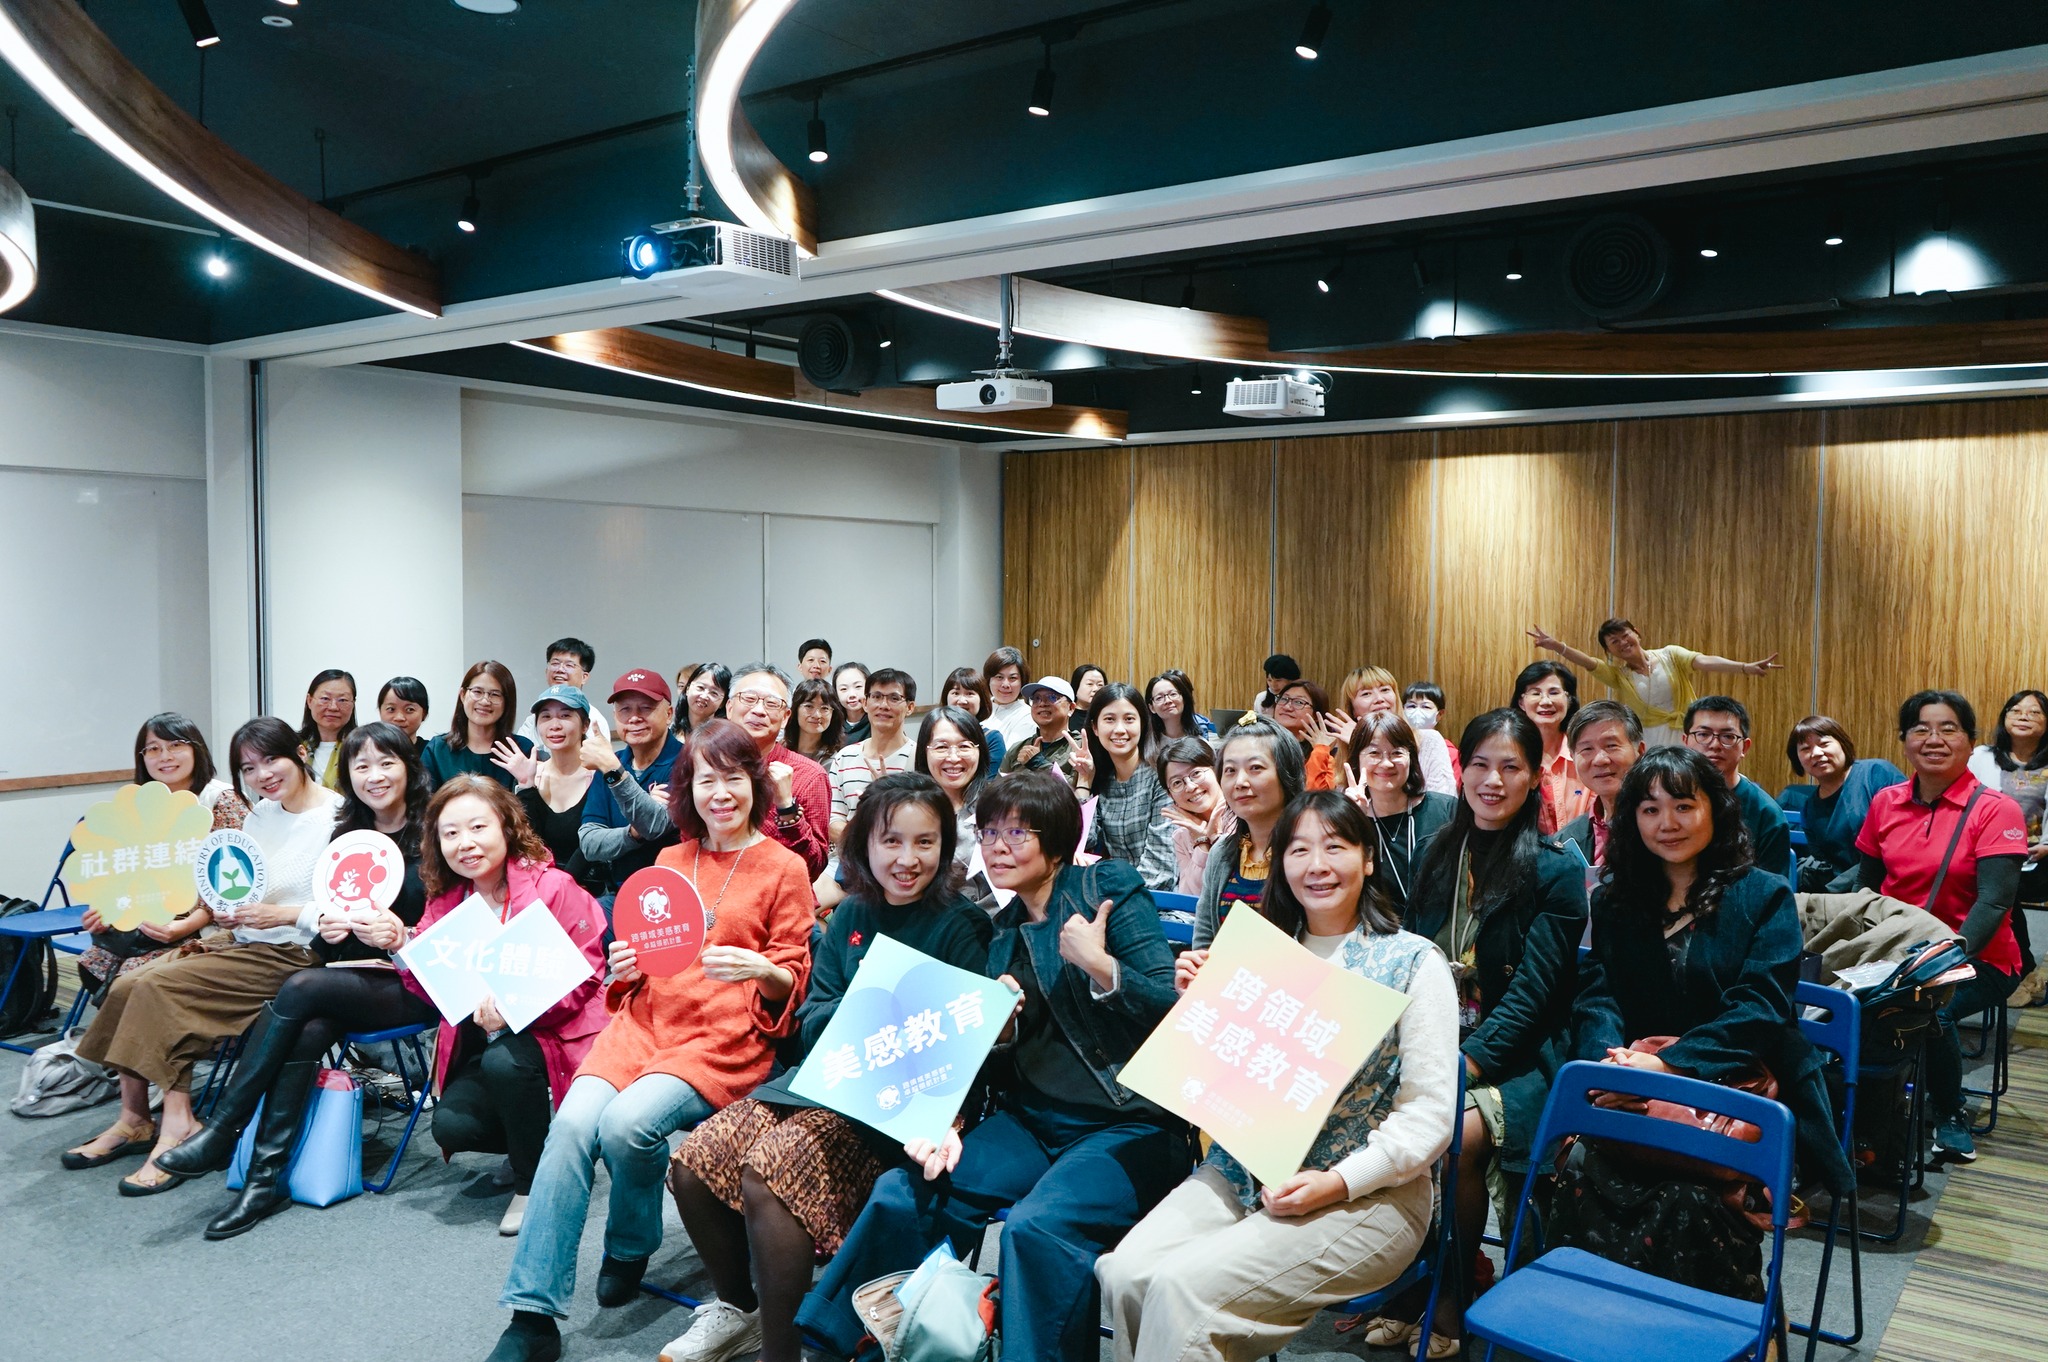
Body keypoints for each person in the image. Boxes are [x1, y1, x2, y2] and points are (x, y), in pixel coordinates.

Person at [795, 772, 1186, 1362]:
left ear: (1056, 841)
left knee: (1036, 1228)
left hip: (1128, 1123)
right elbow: (988, 1058)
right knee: (905, 1191)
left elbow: (1171, 1012)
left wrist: (1101, 966)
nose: (998, 847)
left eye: (1017, 833)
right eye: (989, 833)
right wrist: (952, 1116)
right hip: (1032, 1121)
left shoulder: (1106, 886)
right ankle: (849, 1341)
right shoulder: (999, 934)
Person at [484, 719, 814, 1362]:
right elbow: (643, 961)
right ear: (686, 791)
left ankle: (630, 1244)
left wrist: (764, 973)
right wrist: (624, 967)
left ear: (756, 783)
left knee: (628, 1125)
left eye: (734, 778)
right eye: (705, 781)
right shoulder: (669, 859)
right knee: (574, 1127)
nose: (720, 794)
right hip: (645, 1022)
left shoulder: (784, 867)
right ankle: (532, 1315)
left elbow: (793, 982)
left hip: (721, 1036)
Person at [1098, 791, 1457, 1362]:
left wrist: (1339, 1181)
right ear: (1280, 862)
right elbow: (1218, 1080)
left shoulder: (1412, 962)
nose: (1316, 865)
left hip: (1367, 1195)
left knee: (1182, 1292)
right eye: (1298, 850)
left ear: (1368, 858)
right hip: (1246, 1169)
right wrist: (1200, 1007)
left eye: (1335, 847)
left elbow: (1430, 1115)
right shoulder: (1260, 953)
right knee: (1125, 1273)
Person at [662, 774, 995, 1362]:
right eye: (892, 841)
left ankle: (784, 1351)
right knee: (694, 1163)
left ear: (946, 847)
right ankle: (743, 1311)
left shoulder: (962, 926)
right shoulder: (850, 916)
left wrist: (866, 1010)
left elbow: (962, 1049)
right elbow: (812, 1021)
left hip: (900, 1101)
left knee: (769, 1169)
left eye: (926, 843)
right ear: (865, 844)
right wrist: (871, 1002)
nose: (908, 859)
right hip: (826, 1078)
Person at [1570, 747, 1856, 1292]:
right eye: (1650, 810)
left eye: (1683, 806)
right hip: (1632, 1084)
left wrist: (1668, 1068)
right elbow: (1596, 995)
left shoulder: (1764, 896)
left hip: (1743, 1084)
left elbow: (1762, 1008)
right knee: (1580, 1168)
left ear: (1715, 810)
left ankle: (1725, 1328)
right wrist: (1611, 1066)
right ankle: (1606, 1323)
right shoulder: (1615, 899)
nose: (1667, 824)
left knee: (1693, 1196)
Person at [154, 723, 441, 1238]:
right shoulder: (346, 834)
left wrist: (406, 935)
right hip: (348, 975)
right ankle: (264, 1182)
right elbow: (330, 918)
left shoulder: (438, 833)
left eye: (386, 763)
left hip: (414, 980)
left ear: (409, 766)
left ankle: (223, 1127)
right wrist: (326, 923)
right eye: (361, 766)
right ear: (347, 776)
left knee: (301, 988)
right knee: (307, 1028)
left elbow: (458, 923)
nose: (374, 776)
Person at [1364, 706, 1586, 1356]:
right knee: (1364, 1109)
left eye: (1510, 767)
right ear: (1463, 772)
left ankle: (1455, 1296)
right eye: (1481, 765)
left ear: (1533, 776)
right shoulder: (1440, 851)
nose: (1493, 780)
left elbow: (1533, 998)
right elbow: (1406, 955)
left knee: (1453, 1130)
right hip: (1433, 1037)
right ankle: (1414, 1284)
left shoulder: (1555, 866)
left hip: (1518, 1056)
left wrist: (1462, 1067)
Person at [66, 717, 340, 1194]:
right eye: (249, 768)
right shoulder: (260, 815)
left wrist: (275, 915)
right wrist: (230, 914)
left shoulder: (337, 819)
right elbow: (230, 887)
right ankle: (134, 1117)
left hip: (294, 956)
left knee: (156, 986)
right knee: (129, 982)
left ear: (299, 752)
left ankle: (179, 1123)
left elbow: (339, 912)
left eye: (271, 759)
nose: (262, 775)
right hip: (241, 943)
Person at [411, 778, 608, 1238]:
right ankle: (540, 1140)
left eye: (478, 826)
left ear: (506, 826)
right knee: (451, 1128)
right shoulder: (446, 899)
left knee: (505, 1063)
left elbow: (586, 975)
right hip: (484, 1042)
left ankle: (531, 1179)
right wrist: (401, 946)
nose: (466, 843)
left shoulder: (553, 887)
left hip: (555, 1033)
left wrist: (515, 1006)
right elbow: (431, 990)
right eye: (451, 833)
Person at [1857, 690, 2028, 1162]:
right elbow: (1867, 887)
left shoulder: (1997, 810)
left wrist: (1937, 962)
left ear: (1970, 742)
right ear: (1905, 741)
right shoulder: (1885, 803)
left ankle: (1950, 1111)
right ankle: (1862, 1117)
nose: (1933, 739)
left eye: (1948, 728)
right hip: (1895, 950)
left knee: (1935, 1008)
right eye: (1920, 729)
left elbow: (1994, 904)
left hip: (1980, 957)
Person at [75, 714, 251, 996]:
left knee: (131, 979)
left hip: (208, 925)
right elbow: (128, 873)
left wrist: (184, 926)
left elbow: (234, 885)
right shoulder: (141, 805)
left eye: (176, 745)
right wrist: (107, 910)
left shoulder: (221, 800)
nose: (165, 756)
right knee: (94, 965)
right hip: (153, 920)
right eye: (153, 749)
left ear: (197, 749)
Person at [1527, 618, 1784, 748]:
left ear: (1636, 633)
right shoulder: (1619, 675)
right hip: (1648, 736)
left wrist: (1744, 668)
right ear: (1610, 651)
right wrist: (1556, 646)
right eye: (1614, 642)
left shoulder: (1670, 655)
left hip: (1684, 730)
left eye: (1625, 635)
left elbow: (1704, 662)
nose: (1622, 643)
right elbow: (1588, 663)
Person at [1187, 719, 1307, 955]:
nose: (1240, 782)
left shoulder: (1309, 852)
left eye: (1256, 768)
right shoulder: (1222, 853)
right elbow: (1205, 938)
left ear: (1287, 775)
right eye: (1230, 770)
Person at [577, 668, 683, 900]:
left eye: (646, 708)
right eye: (625, 709)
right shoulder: (613, 762)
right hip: (621, 894)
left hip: (674, 896)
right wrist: (632, 834)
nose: (634, 718)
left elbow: (654, 825)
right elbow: (589, 843)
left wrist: (613, 770)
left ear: (669, 714)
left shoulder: (687, 761)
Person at [722, 664, 832, 882]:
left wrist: (787, 808)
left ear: (785, 717)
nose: (759, 710)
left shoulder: (810, 775)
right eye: (749, 698)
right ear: (729, 707)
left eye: (772, 703)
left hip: (782, 900)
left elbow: (814, 867)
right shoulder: (707, 766)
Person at [1969, 690, 2048, 991]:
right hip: (1990, 854)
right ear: (2004, 719)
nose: (2024, 716)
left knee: (2001, 890)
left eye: (2034, 712)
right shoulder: (1981, 757)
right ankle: (2018, 965)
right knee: (1999, 888)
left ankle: (2016, 965)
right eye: (2016, 711)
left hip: (2039, 858)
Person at [1342, 710, 1458, 916]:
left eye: (1397, 752)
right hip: (1378, 936)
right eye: (1374, 753)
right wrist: (1354, 823)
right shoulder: (1347, 818)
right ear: (1357, 759)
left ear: (1411, 758)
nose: (1386, 763)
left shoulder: (1446, 809)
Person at [493, 685, 599, 892]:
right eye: (546, 717)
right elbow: (528, 843)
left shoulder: (599, 776)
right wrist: (526, 786)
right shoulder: (533, 774)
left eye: (565, 715)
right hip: (538, 887)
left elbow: (591, 849)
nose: (555, 725)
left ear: (585, 725)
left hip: (589, 889)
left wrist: (561, 887)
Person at [1076, 682, 1179, 891]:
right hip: (1113, 893)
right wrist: (1084, 782)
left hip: (1159, 897)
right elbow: (1083, 844)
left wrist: (1121, 901)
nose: (1120, 729)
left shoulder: (1161, 776)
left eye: (1129, 719)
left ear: (1143, 723)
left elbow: (1160, 865)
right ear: (1095, 728)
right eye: (1109, 720)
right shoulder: (1101, 779)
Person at [1787, 715, 1905, 892]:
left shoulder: (1876, 774)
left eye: (1824, 744)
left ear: (1842, 743)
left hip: (1890, 886)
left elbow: (1901, 841)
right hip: (1842, 895)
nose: (1816, 753)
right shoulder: (1810, 809)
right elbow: (1825, 866)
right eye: (1805, 748)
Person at [1682, 697, 1791, 881]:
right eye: (1703, 734)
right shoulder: (1667, 799)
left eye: (1728, 736)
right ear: (1685, 741)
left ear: (1745, 747)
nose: (1715, 744)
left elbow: (1771, 891)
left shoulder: (1767, 814)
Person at [914, 705, 996, 906]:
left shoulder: (1001, 803)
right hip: (932, 920)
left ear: (980, 751)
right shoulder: (910, 809)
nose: (953, 757)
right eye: (941, 747)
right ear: (925, 751)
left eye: (964, 746)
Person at [826, 667, 918, 845]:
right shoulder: (844, 757)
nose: (883, 705)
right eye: (876, 697)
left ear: (910, 707)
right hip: (849, 858)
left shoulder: (921, 757)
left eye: (894, 698)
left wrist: (888, 800)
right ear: (865, 703)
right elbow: (833, 822)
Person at [1337, 666, 1457, 796]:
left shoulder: (1429, 739)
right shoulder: (1345, 746)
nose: (1379, 698)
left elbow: (1444, 801)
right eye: (1366, 693)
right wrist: (1358, 746)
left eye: (1385, 690)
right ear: (1353, 709)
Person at [1557, 700, 1648, 869]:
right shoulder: (1566, 840)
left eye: (1611, 745)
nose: (1600, 760)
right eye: (1587, 749)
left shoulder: (1663, 827)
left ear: (1640, 752)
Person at [423, 661, 534, 791]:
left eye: (495, 694)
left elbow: (530, 806)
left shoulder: (522, 750)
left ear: (507, 703)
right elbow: (424, 805)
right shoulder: (438, 749)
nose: (485, 701)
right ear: (463, 695)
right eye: (477, 692)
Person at [1510, 660, 1591, 836]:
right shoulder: (1510, 756)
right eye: (1536, 693)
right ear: (1521, 702)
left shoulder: (1586, 754)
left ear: (1568, 700)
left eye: (1554, 692)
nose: (1545, 701)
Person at [1157, 737, 1233, 895]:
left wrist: (1216, 839)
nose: (1190, 787)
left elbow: (1234, 884)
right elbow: (1190, 898)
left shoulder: (1242, 815)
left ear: (1216, 769)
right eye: (1177, 783)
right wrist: (1202, 843)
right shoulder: (1181, 836)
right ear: (1170, 795)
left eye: (1196, 773)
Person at [517, 639, 611, 747]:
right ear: (546, 671)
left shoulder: (594, 719)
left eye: (569, 665)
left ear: (584, 677)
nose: (560, 669)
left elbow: (596, 761)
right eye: (555, 663)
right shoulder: (532, 720)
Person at [999, 676, 1080, 781]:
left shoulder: (1080, 747)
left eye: (1052, 697)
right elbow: (999, 790)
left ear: (1071, 708)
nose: (1042, 703)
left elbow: (1078, 791)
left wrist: (1038, 763)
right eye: (1036, 699)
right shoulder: (1017, 749)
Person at [1273, 678, 1342, 790]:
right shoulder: (1263, 743)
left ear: (1315, 715)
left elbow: (1316, 796)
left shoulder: (1324, 755)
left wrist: (1320, 751)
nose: (1287, 707)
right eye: (1284, 699)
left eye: (1298, 702)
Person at [296, 668, 359, 789]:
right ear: (309, 701)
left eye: (342, 700)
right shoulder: (293, 747)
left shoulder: (363, 746)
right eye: (325, 698)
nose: (333, 707)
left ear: (353, 704)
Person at [943, 665, 1007, 769]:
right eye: (955, 693)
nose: (962, 701)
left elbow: (992, 783)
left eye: (969, 693)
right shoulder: (934, 735)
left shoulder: (992, 739)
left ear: (981, 700)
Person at [1145, 668, 1218, 750]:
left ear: (1184, 699)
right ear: (1151, 708)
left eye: (1173, 694)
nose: (1167, 700)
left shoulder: (1201, 744)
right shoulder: (1147, 746)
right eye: (1159, 698)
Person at [1403, 682, 1460, 781]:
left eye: (1426, 707)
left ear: (1440, 714)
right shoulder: (1396, 748)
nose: (1417, 712)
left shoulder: (1451, 753)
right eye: (1411, 706)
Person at [782, 676, 846, 762]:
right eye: (809, 706)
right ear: (795, 709)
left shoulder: (835, 760)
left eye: (824, 708)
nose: (817, 715)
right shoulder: (780, 747)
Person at [984, 645, 1036, 750]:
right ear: (989, 679)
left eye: (1013, 678)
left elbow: (1010, 756)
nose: (1005, 684)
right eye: (999, 677)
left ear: (1022, 681)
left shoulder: (1027, 715)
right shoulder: (980, 707)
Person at [673, 662, 732, 738]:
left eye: (714, 693)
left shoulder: (725, 738)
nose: (704, 696)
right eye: (700, 688)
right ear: (687, 689)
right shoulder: (669, 731)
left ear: (723, 703)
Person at [377, 676, 432, 752]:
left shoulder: (432, 753)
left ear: (424, 714)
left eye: (409, 709)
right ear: (380, 711)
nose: (399, 718)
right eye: (391, 709)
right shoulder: (369, 750)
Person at [1245, 652, 1302, 721]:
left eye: (1278, 680)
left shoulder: (1301, 701)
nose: (1273, 685)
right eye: (1269, 680)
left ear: (1292, 680)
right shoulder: (1261, 698)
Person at [833, 662, 871, 745]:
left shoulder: (878, 722)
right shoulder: (832, 725)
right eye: (843, 689)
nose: (852, 694)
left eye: (858, 687)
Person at [1068, 663, 1107, 736]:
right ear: (1076, 687)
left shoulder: (1107, 714)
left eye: (1100, 685)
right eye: (1090, 684)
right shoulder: (1066, 714)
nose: (1096, 689)